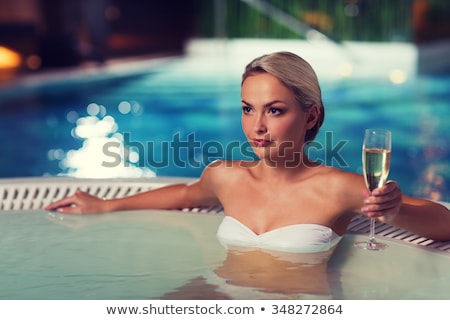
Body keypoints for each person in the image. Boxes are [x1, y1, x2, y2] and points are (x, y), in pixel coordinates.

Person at [45, 51, 450, 255]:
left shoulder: (336, 188)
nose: (257, 126)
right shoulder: (227, 176)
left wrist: (397, 212)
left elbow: (444, 224)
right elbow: (185, 195)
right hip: (213, 298)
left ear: (311, 117)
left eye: (275, 110)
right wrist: (107, 207)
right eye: (248, 108)